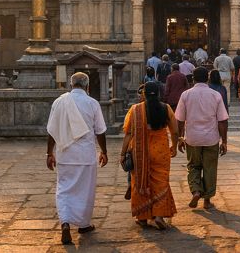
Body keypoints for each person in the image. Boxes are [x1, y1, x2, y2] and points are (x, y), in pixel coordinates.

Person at [46, 72, 108, 245]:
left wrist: (49, 153)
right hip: (85, 155)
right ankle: (83, 224)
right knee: (85, 191)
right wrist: (104, 151)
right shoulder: (92, 103)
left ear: (70, 85)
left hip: (65, 154)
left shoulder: (59, 102)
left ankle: (65, 222)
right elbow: (100, 131)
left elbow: (52, 130)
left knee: (64, 189)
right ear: (87, 86)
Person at [120, 82, 178, 230]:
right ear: (159, 93)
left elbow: (128, 133)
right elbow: (175, 131)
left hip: (141, 152)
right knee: (161, 182)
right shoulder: (166, 108)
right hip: (161, 151)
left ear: (144, 94)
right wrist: (175, 146)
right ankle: (159, 216)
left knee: (140, 181)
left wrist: (122, 153)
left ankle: (143, 217)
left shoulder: (135, 110)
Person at [175, 67, 229, 210]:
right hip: (211, 138)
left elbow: (179, 119)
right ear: (208, 79)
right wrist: (224, 141)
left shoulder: (185, 95)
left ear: (193, 79)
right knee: (210, 168)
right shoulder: (215, 95)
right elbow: (222, 120)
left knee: (193, 166)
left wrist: (180, 137)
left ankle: (196, 190)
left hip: (192, 138)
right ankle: (207, 200)